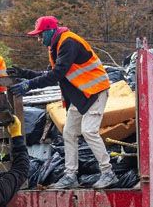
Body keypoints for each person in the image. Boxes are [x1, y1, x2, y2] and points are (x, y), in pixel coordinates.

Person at [9, 15, 116, 190]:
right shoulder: (57, 45)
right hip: (81, 96)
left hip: (94, 92)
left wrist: (29, 85)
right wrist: (25, 73)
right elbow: (50, 73)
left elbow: (56, 75)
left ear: (50, 31)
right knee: (69, 133)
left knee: (88, 131)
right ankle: (70, 175)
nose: (38, 39)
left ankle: (108, 172)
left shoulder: (68, 42)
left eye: (40, 35)